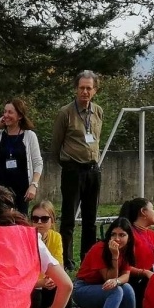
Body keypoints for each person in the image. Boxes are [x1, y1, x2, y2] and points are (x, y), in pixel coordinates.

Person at [51, 70, 103, 267]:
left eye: (89, 88)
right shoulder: (66, 113)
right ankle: (66, 259)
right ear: (76, 89)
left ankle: (87, 257)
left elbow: (96, 139)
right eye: (81, 88)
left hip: (93, 170)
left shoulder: (98, 111)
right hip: (72, 169)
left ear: (95, 90)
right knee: (69, 218)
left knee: (90, 218)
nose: (85, 92)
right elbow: (56, 144)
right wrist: (66, 164)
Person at [72, 217, 138, 308]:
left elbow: (126, 275)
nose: (117, 239)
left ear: (129, 237)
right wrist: (115, 256)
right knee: (116, 291)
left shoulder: (127, 250)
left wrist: (118, 281)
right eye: (114, 234)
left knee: (127, 288)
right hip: (82, 289)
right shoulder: (100, 248)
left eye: (122, 235)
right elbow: (109, 278)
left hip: (102, 288)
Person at [26, 199, 81, 308]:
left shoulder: (56, 238)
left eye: (44, 219)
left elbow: (59, 265)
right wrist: (41, 281)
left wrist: (50, 281)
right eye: (35, 219)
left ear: (52, 221)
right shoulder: (25, 238)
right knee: (34, 291)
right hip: (30, 287)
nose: (39, 223)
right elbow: (23, 274)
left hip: (47, 285)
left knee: (65, 289)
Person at [0, 99, 43, 212]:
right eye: (4, 112)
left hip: (21, 191)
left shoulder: (29, 136)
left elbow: (38, 163)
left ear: (20, 116)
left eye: (10, 112)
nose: (6, 115)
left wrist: (33, 185)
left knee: (18, 224)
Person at [117, 196, 154, 308]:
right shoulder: (128, 235)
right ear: (143, 212)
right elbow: (121, 265)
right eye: (152, 208)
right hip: (136, 282)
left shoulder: (153, 235)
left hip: (153, 277)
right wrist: (145, 272)